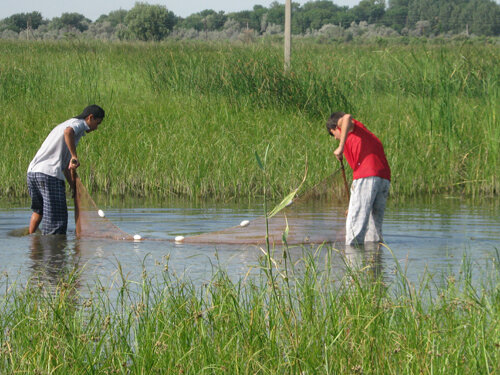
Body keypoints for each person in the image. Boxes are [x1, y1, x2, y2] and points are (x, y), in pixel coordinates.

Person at [27, 105, 105, 235]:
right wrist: (74, 156)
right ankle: (55, 253)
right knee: (57, 222)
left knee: (39, 211)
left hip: (33, 173)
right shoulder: (78, 124)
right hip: (49, 175)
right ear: (90, 118)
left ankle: (32, 243)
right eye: (97, 123)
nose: (96, 128)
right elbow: (68, 132)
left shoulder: (67, 126)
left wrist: (74, 187)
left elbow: (67, 168)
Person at [326, 112, 391, 246]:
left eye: (333, 134)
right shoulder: (360, 134)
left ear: (336, 128)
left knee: (354, 227)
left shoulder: (350, 127)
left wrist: (341, 146)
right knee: (373, 232)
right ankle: (374, 262)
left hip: (368, 175)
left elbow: (347, 117)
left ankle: (353, 263)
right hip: (383, 177)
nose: (335, 138)